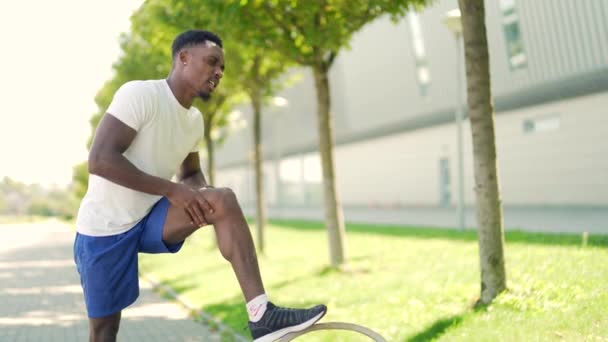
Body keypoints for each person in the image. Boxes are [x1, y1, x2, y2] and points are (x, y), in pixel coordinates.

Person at [73, 29, 327, 342]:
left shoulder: (194, 121)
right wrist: (171, 190)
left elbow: (191, 173)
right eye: (212, 62)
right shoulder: (140, 95)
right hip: (104, 228)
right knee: (105, 330)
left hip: (150, 218)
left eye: (222, 67)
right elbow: (100, 160)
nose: (219, 72)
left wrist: (203, 200)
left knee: (223, 199)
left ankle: (262, 316)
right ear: (183, 58)